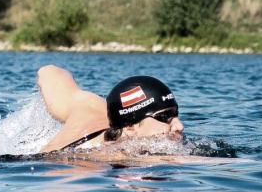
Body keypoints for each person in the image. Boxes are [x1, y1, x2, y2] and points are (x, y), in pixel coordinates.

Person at [36, 65, 184, 153]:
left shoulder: (90, 107)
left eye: (176, 114)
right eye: (165, 116)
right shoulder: (92, 161)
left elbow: (50, 72)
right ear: (130, 127)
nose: (179, 126)